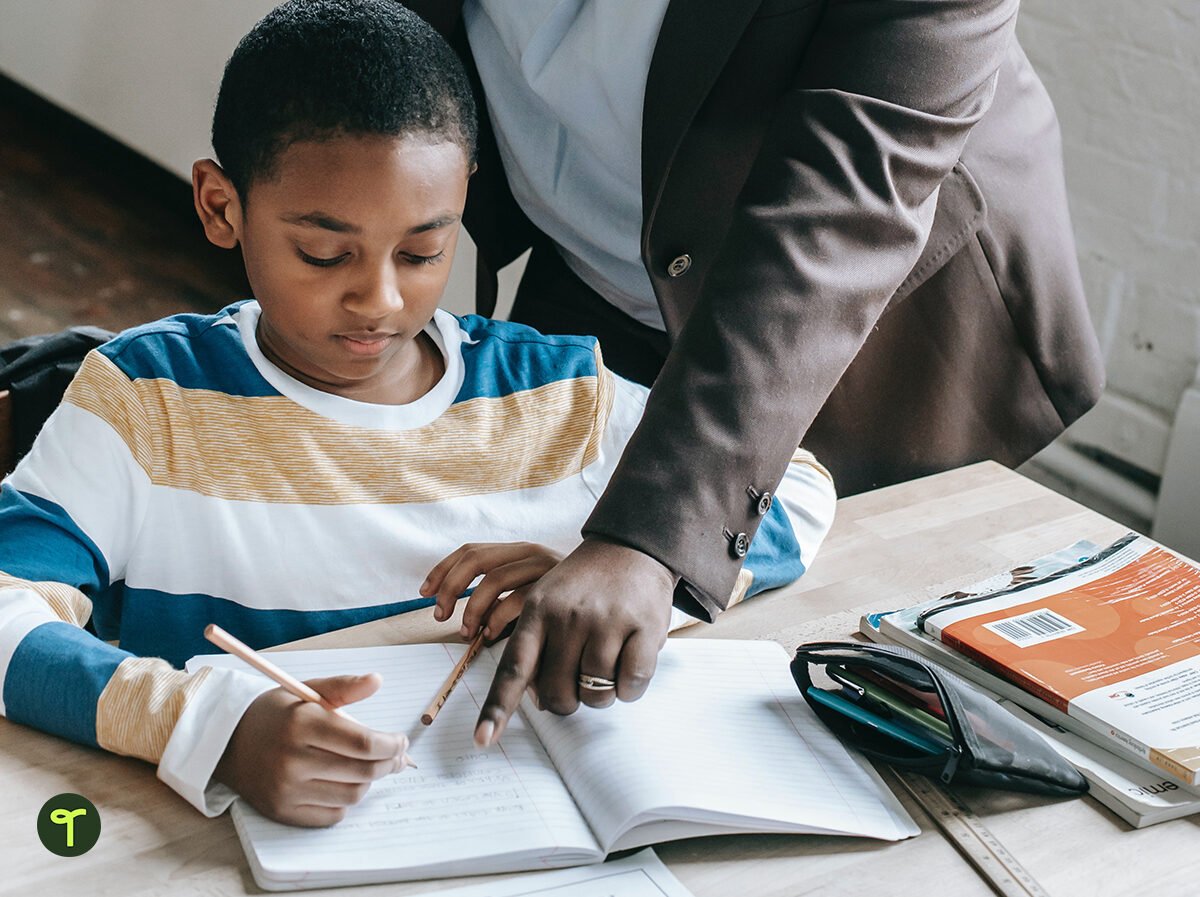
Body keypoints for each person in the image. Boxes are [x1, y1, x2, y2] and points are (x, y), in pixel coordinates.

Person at [0, 0, 836, 827]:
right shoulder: (148, 401)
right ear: (221, 206)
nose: (381, 298)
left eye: (424, 251)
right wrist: (208, 726)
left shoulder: (554, 392)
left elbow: (794, 489)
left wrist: (621, 571)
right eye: (324, 253)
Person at [400, 1, 1106, 743]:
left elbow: (838, 213)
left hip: (871, 339)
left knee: (852, 702)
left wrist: (650, 538)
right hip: (586, 274)